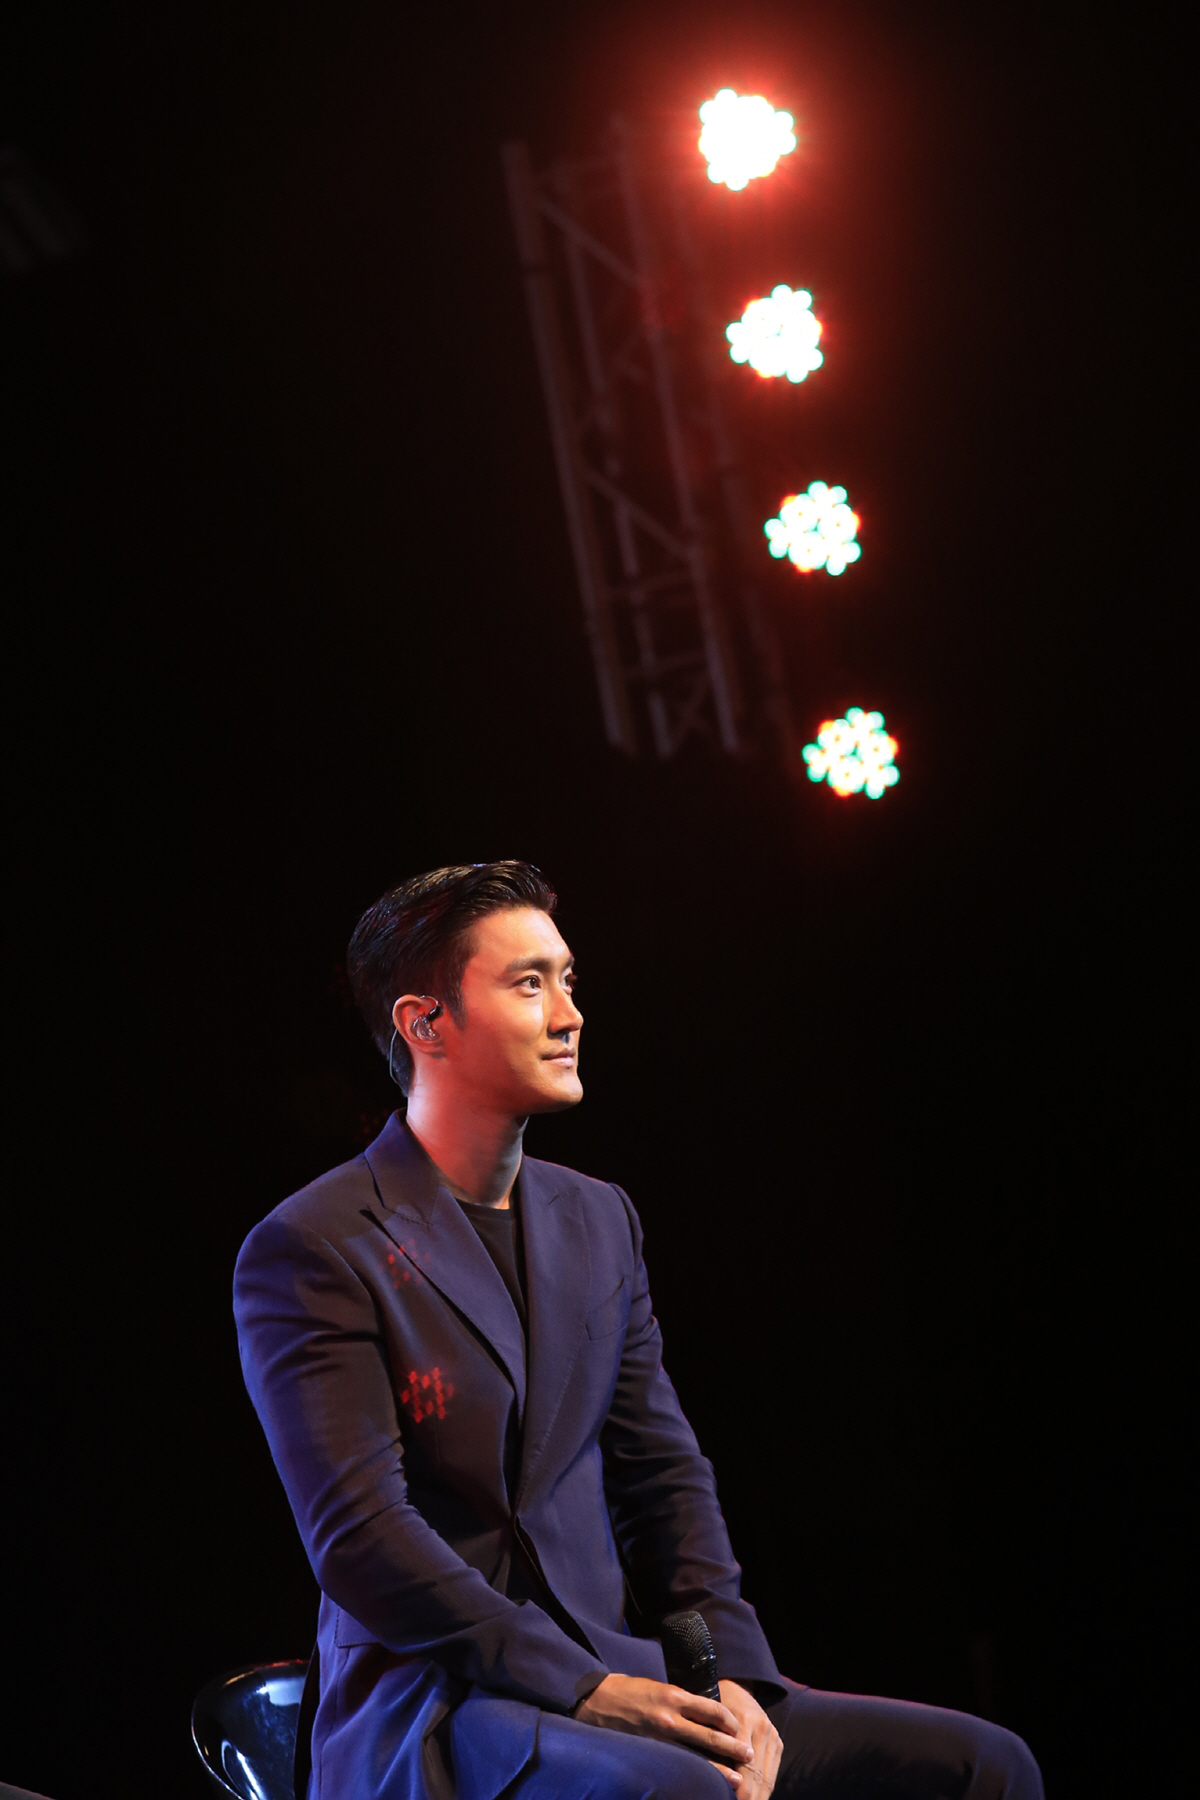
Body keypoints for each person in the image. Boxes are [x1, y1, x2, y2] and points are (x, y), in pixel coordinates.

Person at [235, 861, 1043, 1800]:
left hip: (626, 1671)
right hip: (442, 1702)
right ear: (426, 1023)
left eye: (567, 980)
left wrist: (730, 1678)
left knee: (982, 1767)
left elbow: (662, 1475)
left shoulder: (598, 1218)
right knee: (680, 1791)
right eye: (529, 984)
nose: (569, 1014)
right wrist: (587, 1688)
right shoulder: (315, 1243)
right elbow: (363, 1539)